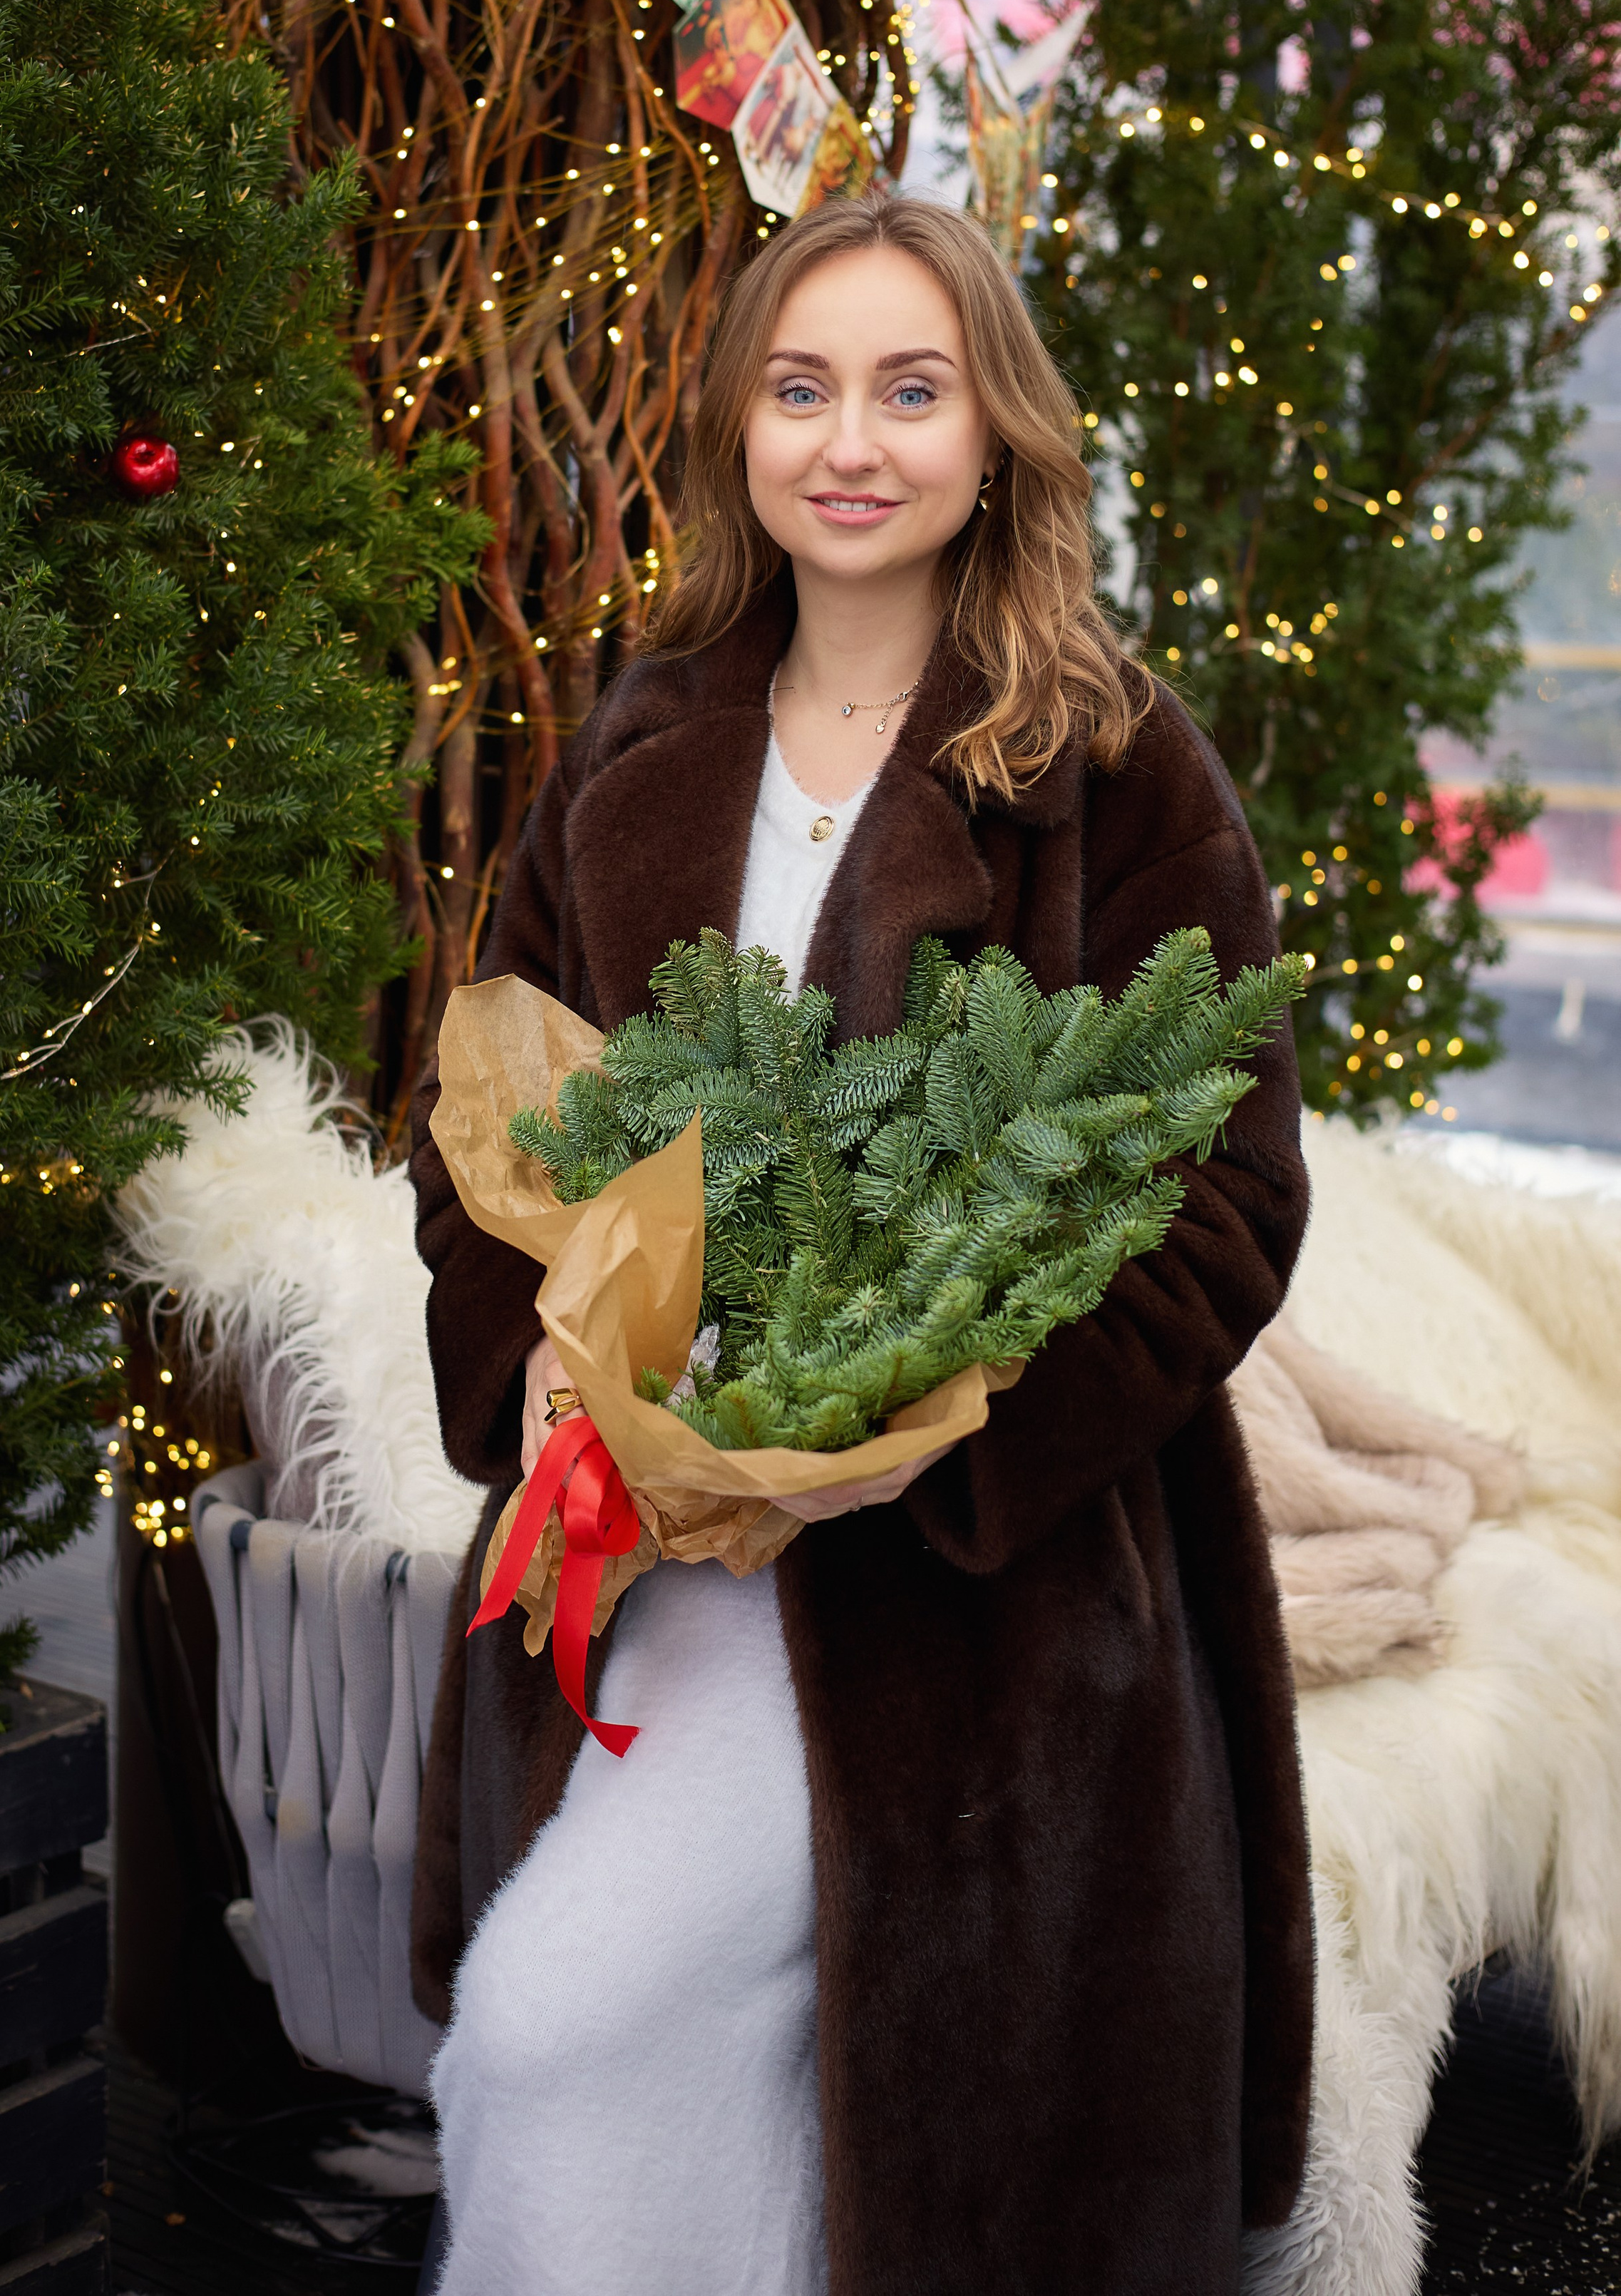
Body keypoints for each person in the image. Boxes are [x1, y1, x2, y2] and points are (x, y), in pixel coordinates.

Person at [406, 190, 1314, 2295]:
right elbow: (487, 1144)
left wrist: (957, 1426)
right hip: (639, 1552)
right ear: (738, 423)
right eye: (803, 388)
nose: (852, 443)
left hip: (971, 1620)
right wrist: (531, 1360)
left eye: (914, 391)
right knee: (617, 2070)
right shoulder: (637, 747)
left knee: (561, 2037)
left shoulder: (1109, 764)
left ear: (997, 430)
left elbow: (1229, 1199)